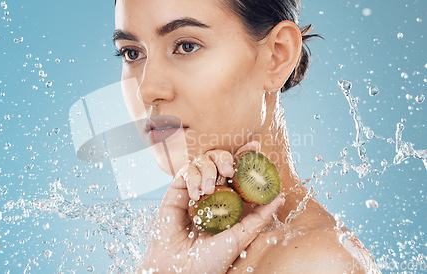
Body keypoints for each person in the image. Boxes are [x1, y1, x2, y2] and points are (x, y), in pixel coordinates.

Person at [113, 0, 379, 272]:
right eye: (131, 53)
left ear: (277, 56)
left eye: (186, 46)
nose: (146, 90)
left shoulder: (316, 262)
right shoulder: (177, 248)